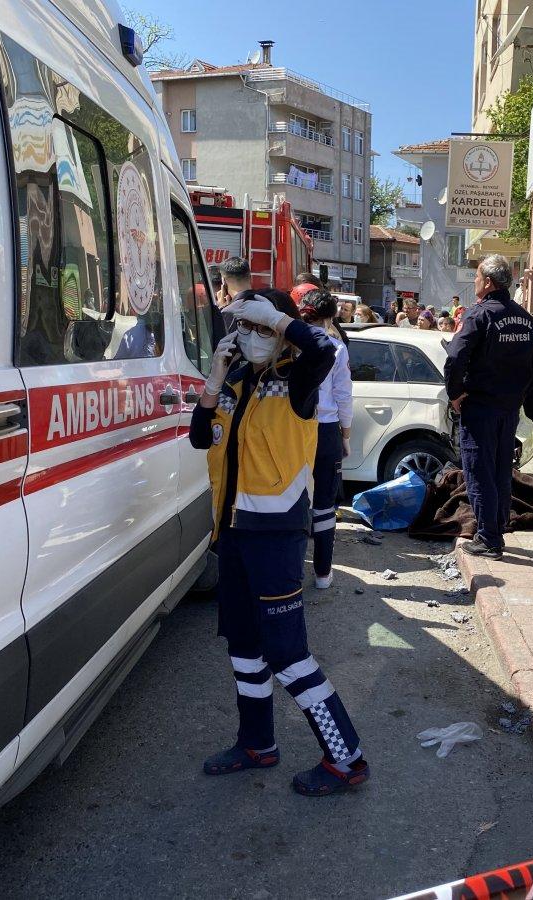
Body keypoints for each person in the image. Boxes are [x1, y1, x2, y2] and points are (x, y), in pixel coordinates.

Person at [189, 270, 369, 795]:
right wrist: (216, 378)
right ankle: (257, 743)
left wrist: (280, 321)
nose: (248, 335)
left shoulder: (298, 381)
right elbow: (203, 437)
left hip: (275, 535)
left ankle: (347, 757)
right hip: (235, 535)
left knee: (288, 653)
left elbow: (324, 350)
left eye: (257, 327)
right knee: (243, 645)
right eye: (242, 326)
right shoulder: (240, 382)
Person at [444, 254, 533, 560]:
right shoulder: (526, 319)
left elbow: (455, 358)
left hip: (481, 408)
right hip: (508, 409)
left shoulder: (479, 315)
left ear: (487, 282)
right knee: (502, 469)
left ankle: (488, 538)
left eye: (476, 277)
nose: (474, 282)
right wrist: (519, 393)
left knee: (479, 471)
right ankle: (498, 524)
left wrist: (455, 394)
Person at [298, 289, 353, 590]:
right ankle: (322, 573)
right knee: (323, 505)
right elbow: (344, 394)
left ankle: (292, 569)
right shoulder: (335, 346)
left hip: (293, 428)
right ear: (331, 318)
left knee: (290, 498)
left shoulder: (289, 344)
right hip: (326, 429)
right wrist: (346, 434)